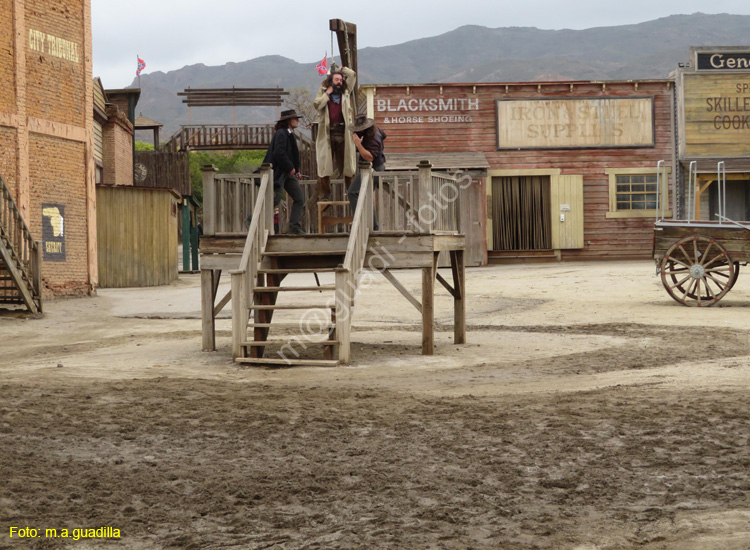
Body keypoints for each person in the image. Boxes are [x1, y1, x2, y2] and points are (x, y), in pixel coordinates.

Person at [314, 66, 357, 199]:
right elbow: (317, 105)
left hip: (343, 132)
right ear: (330, 81)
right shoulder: (323, 91)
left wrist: (341, 68)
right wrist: (327, 93)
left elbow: (352, 75)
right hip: (328, 132)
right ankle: (325, 193)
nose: (339, 82)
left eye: (340, 79)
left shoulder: (346, 91)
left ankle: (352, 193)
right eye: (336, 79)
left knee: (348, 166)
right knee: (324, 166)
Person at [266, 109, 305, 234]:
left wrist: (296, 170)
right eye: (295, 118)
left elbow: (290, 155)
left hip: (287, 173)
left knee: (299, 198)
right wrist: (290, 168)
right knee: (276, 199)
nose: (297, 120)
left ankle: (294, 227)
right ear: (288, 121)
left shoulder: (288, 134)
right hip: (279, 172)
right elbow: (279, 152)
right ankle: (252, 218)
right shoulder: (281, 133)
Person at [347, 114, 386, 231]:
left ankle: (359, 222)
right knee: (368, 197)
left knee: (353, 192)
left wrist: (358, 144)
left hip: (374, 169)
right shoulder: (376, 131)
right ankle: (374, 227)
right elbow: (384, 135)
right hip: (372, 168)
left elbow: (369, 157)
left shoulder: (373, 138)